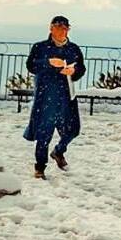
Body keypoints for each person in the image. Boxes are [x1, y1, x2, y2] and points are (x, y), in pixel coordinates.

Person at [24, 15, 85, 179]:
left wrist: (74, 71)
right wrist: (49, 63)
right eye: (58, 27)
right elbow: (31, 65)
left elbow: (81, 68)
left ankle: (58, 151)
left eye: (65, 28)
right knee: (44, 133)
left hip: (67, 96)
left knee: (73, 130)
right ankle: (40, 166)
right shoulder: (40, 47)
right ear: (51, 28)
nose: (62, 31)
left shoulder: (73, 49)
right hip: (46, 97)